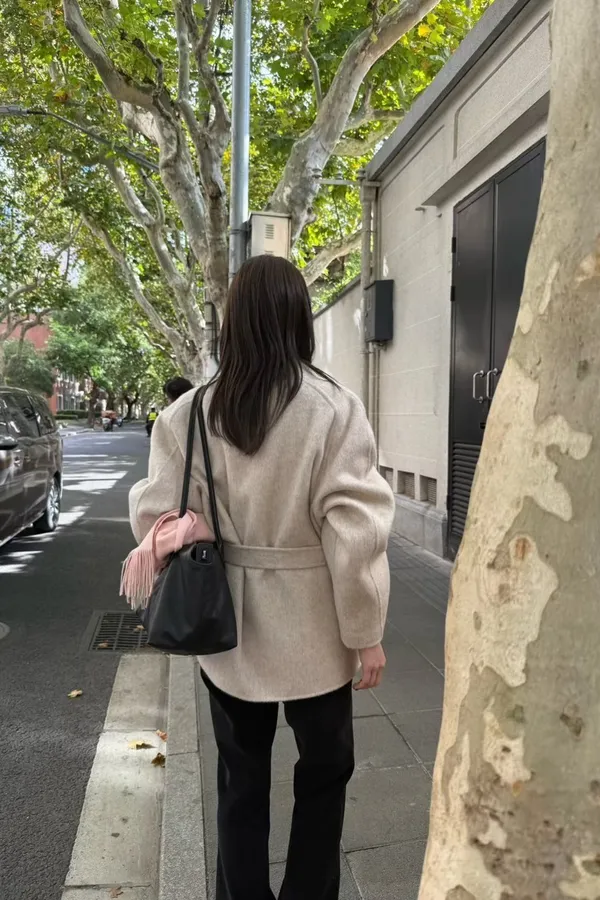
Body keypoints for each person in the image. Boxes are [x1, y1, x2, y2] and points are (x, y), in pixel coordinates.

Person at [129, 255, 395, 900]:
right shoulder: (333, 408)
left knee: (240, 779)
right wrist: (366, 633)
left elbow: (152, 514)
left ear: (233, 323)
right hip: (316, 628)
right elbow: (354, 534)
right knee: (326, 773)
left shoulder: (189, 413)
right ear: (298, 318)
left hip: (229, 628)